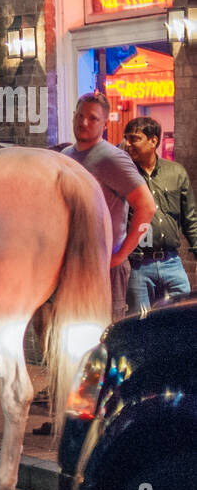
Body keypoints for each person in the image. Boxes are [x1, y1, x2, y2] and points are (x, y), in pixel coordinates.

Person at [63, 93, 156, 320]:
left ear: (105, 124)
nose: (84, 122)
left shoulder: (113, 158)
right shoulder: (66, 156)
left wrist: (120, 255)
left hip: (106, 266)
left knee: (106, 337)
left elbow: (147, 206)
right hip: (73, 263)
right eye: (80, 116)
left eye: (93, 118)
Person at [121, 115, 197, 312]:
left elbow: (191, 219)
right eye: (126, 138)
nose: (127, 144)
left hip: (171, 262)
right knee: (140, 328)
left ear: (153, 141)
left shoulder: (176, 172)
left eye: (134, 139)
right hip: (138, 265)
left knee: (182, 320)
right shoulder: (124, 175)